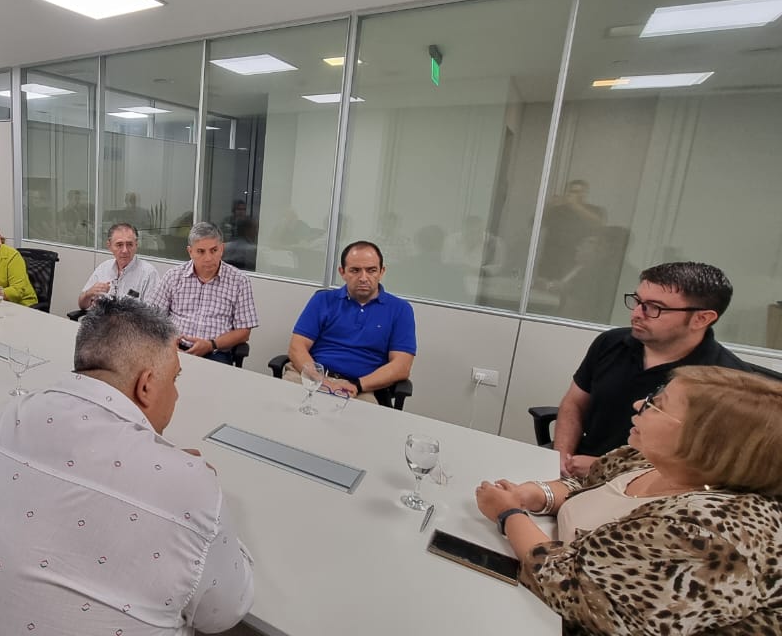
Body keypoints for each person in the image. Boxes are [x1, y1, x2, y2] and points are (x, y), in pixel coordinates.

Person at [0, 297, 254, 636]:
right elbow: (224, 611)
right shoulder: (188, 487)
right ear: (146, 386)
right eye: (175, 379)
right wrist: (198, 493)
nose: (177, 393)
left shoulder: (8, 416)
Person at [475, 366, 782, 634]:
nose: (639, 404)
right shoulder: (648, 459)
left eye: (657, 405)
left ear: (705, 442)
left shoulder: (707, 534)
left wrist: (509, 514)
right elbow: (589, 485)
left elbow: (581, 595)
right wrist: (537, 494)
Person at [552, 262, 747, 478]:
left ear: (702, 318)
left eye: (654, 307)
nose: (637, 313)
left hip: (646, 489)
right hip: (576, 471)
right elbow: (574, 403)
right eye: (637, 301)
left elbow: (707, 467)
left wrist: (607, 468)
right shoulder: (611, 343)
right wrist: (560, 457)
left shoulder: (724, 382)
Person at [287, 241, 416, 404]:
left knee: (357, 418)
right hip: (312, 377)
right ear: (342, 272)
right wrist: (322, 381)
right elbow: (296, 347)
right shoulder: (323, 300)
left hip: (362, 388)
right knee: (283, 410)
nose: (363, 278)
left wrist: (357, 385)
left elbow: (401, 366)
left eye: (371, 270)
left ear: (382, 272)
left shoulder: (400, 309)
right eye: (355, 270)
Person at [147, 222, 258, 365]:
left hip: (216, 352)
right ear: (190, 251)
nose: (208, 258)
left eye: (214, 250)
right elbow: (152, 318)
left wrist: (211, 344)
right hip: (174, 348)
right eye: (201, 251)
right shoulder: (173, 276)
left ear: (222, 249)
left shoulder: (239, 281)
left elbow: (244, 332)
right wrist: (168, 342)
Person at [77, 222, 158, 310]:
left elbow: (151, 314)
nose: (125, 250)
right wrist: (88, 294)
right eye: (119, 245)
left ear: (136, 245)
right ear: (109, 246)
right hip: (99, 318)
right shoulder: (103, 268)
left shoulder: (148, 273)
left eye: (129, 244)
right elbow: (82, 305)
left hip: (131, 319)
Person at [536, 179, 606, 280]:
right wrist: (548, 206)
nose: (574, 195)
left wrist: (574, 205)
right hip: (549, 262)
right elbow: (535, 224)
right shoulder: (557, 210)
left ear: (585, 194)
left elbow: (599, 223)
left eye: (577, 192)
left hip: (573, 265)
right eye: (571, 191)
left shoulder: (593, 210)